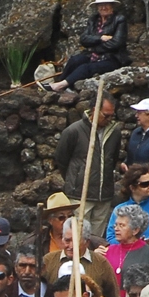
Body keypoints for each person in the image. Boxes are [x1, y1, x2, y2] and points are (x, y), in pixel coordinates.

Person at [55, 94, 124, 235]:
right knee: (79, 236)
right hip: (80, 194)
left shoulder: (115, 132)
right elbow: (61, 160)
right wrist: (75, 179)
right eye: (106, 115)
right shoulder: (73, 131)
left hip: (103, 195)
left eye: (112, 116)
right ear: (94, 110)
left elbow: (113, 159)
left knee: (97, 239)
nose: (109, 119)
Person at [51, 0, 129, 92]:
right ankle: (60, 83)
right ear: (97, 7)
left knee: (85, 68)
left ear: (112, 6)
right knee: (75, 60)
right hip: (93, 55)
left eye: (106, 5)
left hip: (112, 58)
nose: (103, 7)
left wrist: (94, 46)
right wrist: (100, 38)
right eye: (101, 5)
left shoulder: (119, 20)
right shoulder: (93, 20)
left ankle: (61, 85)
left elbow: (116, 43)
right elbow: (83, 39)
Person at [107, 167, 149, 253]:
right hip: (125, 256)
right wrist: (132, 244)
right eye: (145, 184)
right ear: (132, 188)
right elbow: (111, 237)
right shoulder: (119, 209)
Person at [106, 202, 149, 297]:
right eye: (115, 225)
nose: (116, 229)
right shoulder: (109, 250)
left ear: (135, 230)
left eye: (122, 225)